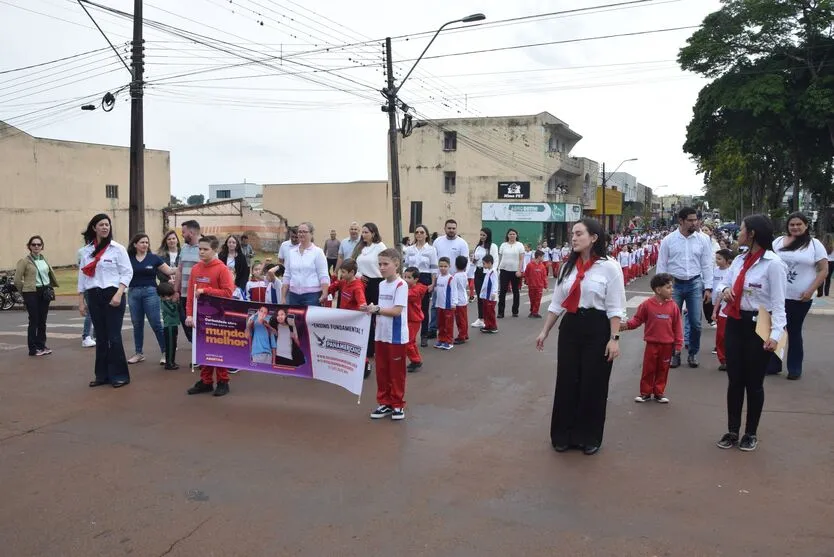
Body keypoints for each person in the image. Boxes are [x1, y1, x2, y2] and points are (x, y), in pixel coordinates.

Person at [535, 218, 626, 456]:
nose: (573, 238)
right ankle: (563, 435)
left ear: (594, 237)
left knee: (593, 382)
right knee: (567, 380)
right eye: (572, 234)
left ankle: (589, 436)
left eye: (578, 233)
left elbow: (616, 306)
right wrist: (545, 331)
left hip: (597, 328)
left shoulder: (610, 267)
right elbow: (557, 304)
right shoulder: (568, 267)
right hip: (571, 327)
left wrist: (614, 338)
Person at [715, 214, 786, 452]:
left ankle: (750, 433)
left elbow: (778, 304)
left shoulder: (773, 264)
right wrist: (724, 289)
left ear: (752, 233)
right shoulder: (739, 260)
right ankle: (732, 430)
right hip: (735, 322)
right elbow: (722, 282)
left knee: (754, 383)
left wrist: (775, 336)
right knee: (735, 380)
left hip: (759, 325)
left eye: (742, 229)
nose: (739, 233)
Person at [765, 212, 827, 380]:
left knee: (793, 330)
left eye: (799, 224)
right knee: (776, 329)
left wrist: (811, 290)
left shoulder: (814, 244)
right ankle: (773, 364)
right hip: (776, 295)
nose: (795, 227)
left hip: (801, 297)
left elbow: (823, 270)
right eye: (792, 224)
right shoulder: (777, 242)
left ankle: (794, 367)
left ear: (806, 225)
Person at [78, 213, 133, 388]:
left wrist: (119, 293)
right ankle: (102, 375)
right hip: (94, 295)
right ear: (94, 228)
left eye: (107, 225)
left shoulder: (117, 249)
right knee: (100, 337)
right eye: (101, 225)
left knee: (114, 336)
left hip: (113, 294)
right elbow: (82, 276)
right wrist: (81, 300)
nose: (105, 227)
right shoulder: (86, 251)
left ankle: (120, 375)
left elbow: (127, 272)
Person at [656, 207, 714, 368]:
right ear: (680, 221)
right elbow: (661, 264)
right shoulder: (669, 240)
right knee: (672, 321)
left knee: (695, 322)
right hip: (673, 284)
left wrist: (708, 287)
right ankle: (674, 353)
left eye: (696, 219)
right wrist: (660, 289)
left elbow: (707, 264)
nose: (694, 223)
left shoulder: (703, 239)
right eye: (690, 220)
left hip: (695, 283)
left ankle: (693, 353)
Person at [185, 235, 235, 396]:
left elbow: (228, 293)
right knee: (203, 349)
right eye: (200, 249)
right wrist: (189, 315)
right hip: (200, 317)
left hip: (218, 316)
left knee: (218, 349)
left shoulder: (222, 269)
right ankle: (206, 381)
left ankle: (223, 381)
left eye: (205, 249)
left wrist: (206, 291)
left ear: (215, 250)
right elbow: (191, 295)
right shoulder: (196, 269)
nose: (201, 252)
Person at [362, 248, 409, 421]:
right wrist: (370, 309)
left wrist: (378, 309)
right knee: (382, 370)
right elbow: (381, 307)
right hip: (380, 334)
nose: (381, 268)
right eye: (380, 264)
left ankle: (397, 404)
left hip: (396, 336)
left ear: (396, 264)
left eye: (385, 264)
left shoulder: (401, 285)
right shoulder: (382, 285)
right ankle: (385, 402)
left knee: (396, 372)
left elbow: (397, 311)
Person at [621, 273, 682, 404]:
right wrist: (625, 326)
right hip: (651, 344)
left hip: (667, 345)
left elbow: (677, 327)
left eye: (672, 287)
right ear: (658, 290)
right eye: (668, 287)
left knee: (663, 369)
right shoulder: (646, 305)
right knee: (648, 369)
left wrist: (678, 345)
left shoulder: (673, 307)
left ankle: (659, 393)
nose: (672, 290)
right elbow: (637, 320)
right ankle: (645, 393)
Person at [126, 233, 176, 365]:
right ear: (135, 244)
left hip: (150, 292)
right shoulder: (128, 258)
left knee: (156, 324)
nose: (145, 245)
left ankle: (165, 352)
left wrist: (185, 266)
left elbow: (170, 271)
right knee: (137, 324)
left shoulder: (154, 258)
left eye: (147, 242)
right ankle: (138, 353)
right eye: (142, 242)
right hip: (133, 293)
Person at [15, 235, 59, 357]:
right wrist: (24, 292)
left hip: (44, 292)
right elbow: (17, 280)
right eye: (33, 244)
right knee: (34, 320)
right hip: (31, 292)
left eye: (39, 244)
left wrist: (49, 286)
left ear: (42, 246)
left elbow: (47, 275)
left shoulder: (43, 259)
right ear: (29, 246)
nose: (36, 246)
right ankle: (33, 349)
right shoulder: (24, 261)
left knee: (42, 321)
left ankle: (41, 345)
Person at [353, 222, 387, 373]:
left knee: (375, 315)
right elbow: (353, 265)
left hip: (376, 283)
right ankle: (366, 346)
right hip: (362, 283)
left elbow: (386, 264)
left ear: (373, 233)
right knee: (364, 314)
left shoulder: (380, 247)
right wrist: (359, 276)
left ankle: (376, 346)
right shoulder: (360, 248)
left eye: (366, 232)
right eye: (363, 232)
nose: (363, 235)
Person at [429, 220, 469, 335]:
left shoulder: (462, 243)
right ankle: (433, 328)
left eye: (453, 228)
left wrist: (461, 278)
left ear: (456, 229)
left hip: (454, 280)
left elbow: (465, 261)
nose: (451, 230)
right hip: (440, 279)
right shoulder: (438, 241)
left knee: (455, 308)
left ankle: (455, 332)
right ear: (445, 228)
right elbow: (433, 260)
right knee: (436, 305)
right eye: (449, 228)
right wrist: (435, 278)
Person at [280, 222, 330, 306]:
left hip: (312, 296)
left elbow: (323, 275)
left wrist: (324, 293)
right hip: (293, 296)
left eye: (304, 232)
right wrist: (283, 297)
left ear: (311, 234)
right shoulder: (291, 253)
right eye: (299, 232)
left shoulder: (318, 252)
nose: (301, 234)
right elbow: (287, 275)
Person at [403, 224, 437, 346]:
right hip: (410, 279)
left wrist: (433, 283)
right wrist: (404, 280)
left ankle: (424, 335)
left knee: (423, 308)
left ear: (426, 235)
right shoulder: (410, 249)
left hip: (424, 278)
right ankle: (407, 334)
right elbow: (405, 266)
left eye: (422, 232)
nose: (419, 234)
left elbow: (434, 268)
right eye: (417, 232)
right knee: (408, 307)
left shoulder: (431, 249)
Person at [174, 220, 201, 343]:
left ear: (191, 232)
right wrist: (175, 290)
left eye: (183, 232)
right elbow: (179, 270)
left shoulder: (204, 248)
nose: (182, 235)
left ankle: (199, 354)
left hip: (198, 295)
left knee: (199, 326)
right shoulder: (184, 248)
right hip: (184, 295)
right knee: (186, 324)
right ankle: (196, 348)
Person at [470, 227, 499, 328]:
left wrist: (492, 273)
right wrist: (473, 260)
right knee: (480, 295)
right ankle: (480, 318)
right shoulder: (478, 246)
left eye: (484, 235)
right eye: (481, 235)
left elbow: (495, 261)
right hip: (478, 271)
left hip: (487, 273)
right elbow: (475, 260)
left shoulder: (493, 246)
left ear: (488, 236)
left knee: (487, 297)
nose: (482, 237)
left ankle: (488, 320)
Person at [711, 249, 733, 371]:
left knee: (731, 336)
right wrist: (714, 310)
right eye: (717, 258)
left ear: (728, 261)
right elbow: (719, 293)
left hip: (733, 309)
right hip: (721, 308)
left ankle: (732, 359)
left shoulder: (732, 272)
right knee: (721, 335)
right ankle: (723, 359)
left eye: (720, 259)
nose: (717, 261)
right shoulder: (715, 271)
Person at [403, 266, 427, 372]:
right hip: (410, 319)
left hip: (414, 319)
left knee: (407, 342)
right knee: (411, 341)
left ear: (416, 279)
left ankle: (415, 360)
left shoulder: (415, 290)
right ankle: (416, 360)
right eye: (405, 277)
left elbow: (408, 295)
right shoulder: (410, 288)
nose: (406, 280)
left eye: (409, 277)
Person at [497, 228, 525, 318]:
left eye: (514, 234)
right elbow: (500, 258)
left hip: (515, 271)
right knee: (502, 291)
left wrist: (519, 270)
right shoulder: (503, 245)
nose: (512, 236)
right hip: (504, 270)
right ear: (507, 235)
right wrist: (498, 269)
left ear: (516, 235)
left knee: (515, 291)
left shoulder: (520, 245)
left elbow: (521, 259)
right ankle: (501, 312)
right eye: (510, 234)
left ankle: (515, 311)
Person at [433, 257, 456, 350]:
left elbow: (454, 292)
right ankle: (441, 339)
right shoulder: (438, 277)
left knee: (448, 325)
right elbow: (437, 290)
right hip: (439, 305)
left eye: (445, 266)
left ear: (449, 266)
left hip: (448, 306)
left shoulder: (451, 278)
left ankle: (449, 341)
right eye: (441, 266)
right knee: (441, 324)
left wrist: (454, 303)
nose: (442, 268)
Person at [157, 281, 180, 370]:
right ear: (162, 296)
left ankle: (171, 361)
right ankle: (169, 363)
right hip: (169, 326)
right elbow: (173, 311)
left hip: (173, 325)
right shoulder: (165, 303)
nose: (169, 297)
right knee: (170, 345)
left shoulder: (167, 301)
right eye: (168, 296)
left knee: (173, 345)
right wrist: (174, 302)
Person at [77, 244, 96, 348]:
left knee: (99, 312)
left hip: (99, 286)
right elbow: (82, 271)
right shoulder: (83, 251)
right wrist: (81, 300)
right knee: (91, 312)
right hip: (89, 285)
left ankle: (96, 335)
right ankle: (86, 336)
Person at [524, 249, 548, 318]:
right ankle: (532, 311)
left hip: (539, 287)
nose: (543, 258)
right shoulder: (530, 265)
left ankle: (535, 312)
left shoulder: (542, 266)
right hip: (531, 286)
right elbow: (526, 274)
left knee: (537, 300)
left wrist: (546, 286)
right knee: (532, 300)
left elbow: (544, 277)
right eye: (543, 257)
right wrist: (527, 281)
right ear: (539, 257)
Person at [479, 254, 499, 334]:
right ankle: (488, 325)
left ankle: (493, 326)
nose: (483, 265)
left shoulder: (493, 272)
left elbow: (495, 283)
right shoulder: (488, 272)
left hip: (491, 296)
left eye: (484, 263)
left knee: (490, 312)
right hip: (486, 296)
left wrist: (494, 292)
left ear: (489, 263)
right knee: (486, 311)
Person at [452, 255, 470, 345]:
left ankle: (461, 335)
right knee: (464, 318)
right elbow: (466, 284)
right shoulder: (464, 274)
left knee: (460, 319)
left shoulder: (455, 276)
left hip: (458, 300)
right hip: (464, 298)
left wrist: (454, 302)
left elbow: (454, 289)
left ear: (455, 265)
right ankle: (465, 333)